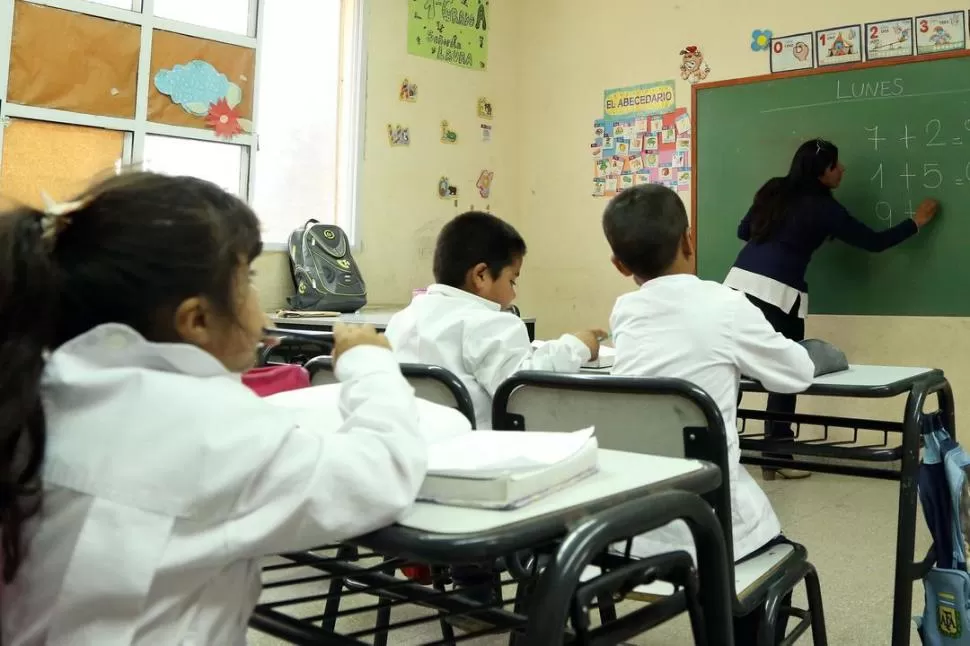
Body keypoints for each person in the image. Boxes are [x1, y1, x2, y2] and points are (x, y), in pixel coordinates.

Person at [0, 172, 428, 644]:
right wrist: (370, 362)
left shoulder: (39, 385)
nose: (261, 311)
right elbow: (382, 472)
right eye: (247, 279)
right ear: (197, 319)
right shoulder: (209, 427)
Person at [602, 184, 816, 642]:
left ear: (620, 266)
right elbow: (795, 373)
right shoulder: (726, 304)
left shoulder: (625, 311)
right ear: (689, 240)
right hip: (711, 524)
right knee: (774, 558)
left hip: (630, 523)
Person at [725, 138, 939, 480]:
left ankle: (721, 453)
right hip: (778, 295)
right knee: (785, 373)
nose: (843, 170)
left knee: (731, 371)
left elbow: (743, 230)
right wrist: (916, 222)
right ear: (822, 173)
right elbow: (873, 241)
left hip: (736, 286)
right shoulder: (824, 208)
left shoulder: (774, 190)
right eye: (836, 166)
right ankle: (776, 456)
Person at [385, 210, 604, 430]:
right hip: (475, 452)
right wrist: (578, 345)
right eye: (512, 281)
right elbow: (526, 386)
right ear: (481, 275)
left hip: (411, 450)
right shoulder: (490, 323)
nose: (514, 295)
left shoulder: (400, 321)